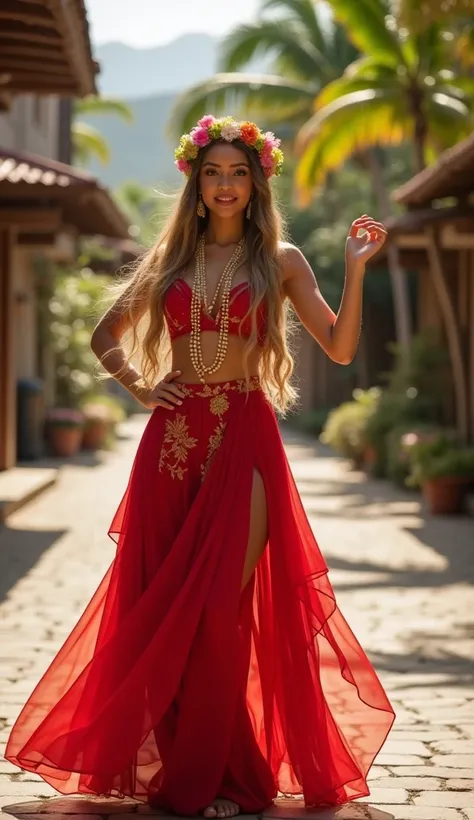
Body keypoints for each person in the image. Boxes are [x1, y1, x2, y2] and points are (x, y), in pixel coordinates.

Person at [5, 115, 395, 819]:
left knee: (219, 609)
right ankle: (194, 766)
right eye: (212, 172)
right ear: (195, 182)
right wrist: (140, 385)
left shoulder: (281, 259)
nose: (224, 185)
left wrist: (357, 269)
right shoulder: (171, 263)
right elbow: (105, 335)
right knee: (164, 612)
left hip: (244, 438)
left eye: (237, 173)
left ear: (256, 183)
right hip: (172, 444)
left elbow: (338, 347)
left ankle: (218, 775)